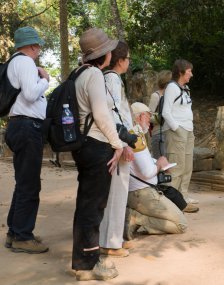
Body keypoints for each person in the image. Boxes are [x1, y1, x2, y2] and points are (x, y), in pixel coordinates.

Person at [71, 28, 124, 281]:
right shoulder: (93, 74)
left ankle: (83, 261)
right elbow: (102, 115)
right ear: (103, 54)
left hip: (82, 145)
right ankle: (88, 265)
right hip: (96, 144)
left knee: (86, 204)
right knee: (94, 206)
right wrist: (117, 143)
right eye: (109, 49)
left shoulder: (78, 73)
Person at [4, 26, 50, 254]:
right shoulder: (25, 62)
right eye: (38, 46)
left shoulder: (16, 62)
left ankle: (15, 232)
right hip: (26, 127)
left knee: (24, 182)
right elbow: (32, 94)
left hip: (19, 126)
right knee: (30, 184)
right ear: (32, 45)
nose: (40, 50)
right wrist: (46, 80)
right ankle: (23, 235)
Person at [124, 102, 196, 241]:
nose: (150, 122)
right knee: (181, 225)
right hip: (143, 193)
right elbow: (147, 172)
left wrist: (161, 164)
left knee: (176, 216)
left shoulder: (133, 134)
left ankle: (136, 216)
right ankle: (136, 218)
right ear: (140, 117)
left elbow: (143, 163)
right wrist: (159, 165)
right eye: (148, 117)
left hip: (141, 191)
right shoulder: (135, 137)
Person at [99, 41, 134, 258]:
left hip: (117, 140)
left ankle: (114, 237)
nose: (129, 61)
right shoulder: (111, 78)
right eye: (128, 58)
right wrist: (123, 144)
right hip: (117, 143)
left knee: (117, 192)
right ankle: (110, 242)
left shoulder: (112, 79)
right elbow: (112, 114)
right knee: (116, 193)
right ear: (120, 61)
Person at [162, 59, 199, 207]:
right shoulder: (171, 87)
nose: (191, 74)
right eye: (189, 71)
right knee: (177, 167)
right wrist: (176, 129)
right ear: (181, 72)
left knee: (187, 166)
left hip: (188, 131)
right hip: (177, 131)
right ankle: (172, 199)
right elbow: (166, 112)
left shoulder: (185, 88)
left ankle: (183, 196)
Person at [148, 70, 172, 158]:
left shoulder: (172, 95)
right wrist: (163, 116)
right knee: (159, 162)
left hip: (170, 133)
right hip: (159, 134)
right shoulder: (156, 96)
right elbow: (148, 116)